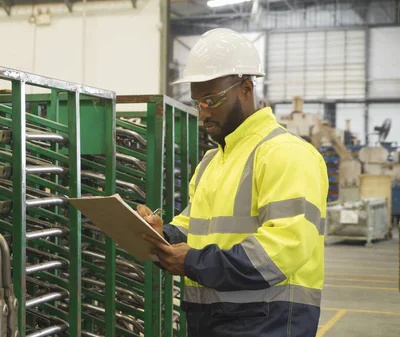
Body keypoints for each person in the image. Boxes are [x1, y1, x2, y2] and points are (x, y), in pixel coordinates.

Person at [137, 28, 328, 337]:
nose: (204, 113)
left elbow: (282, 251)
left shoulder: (286, 154)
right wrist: (161, 234)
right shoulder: (213, 162)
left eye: (212, 100)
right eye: (198, 102)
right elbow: (196, 227)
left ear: (247, 88)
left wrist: (195, 262)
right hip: (211, 320)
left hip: (268, 322)